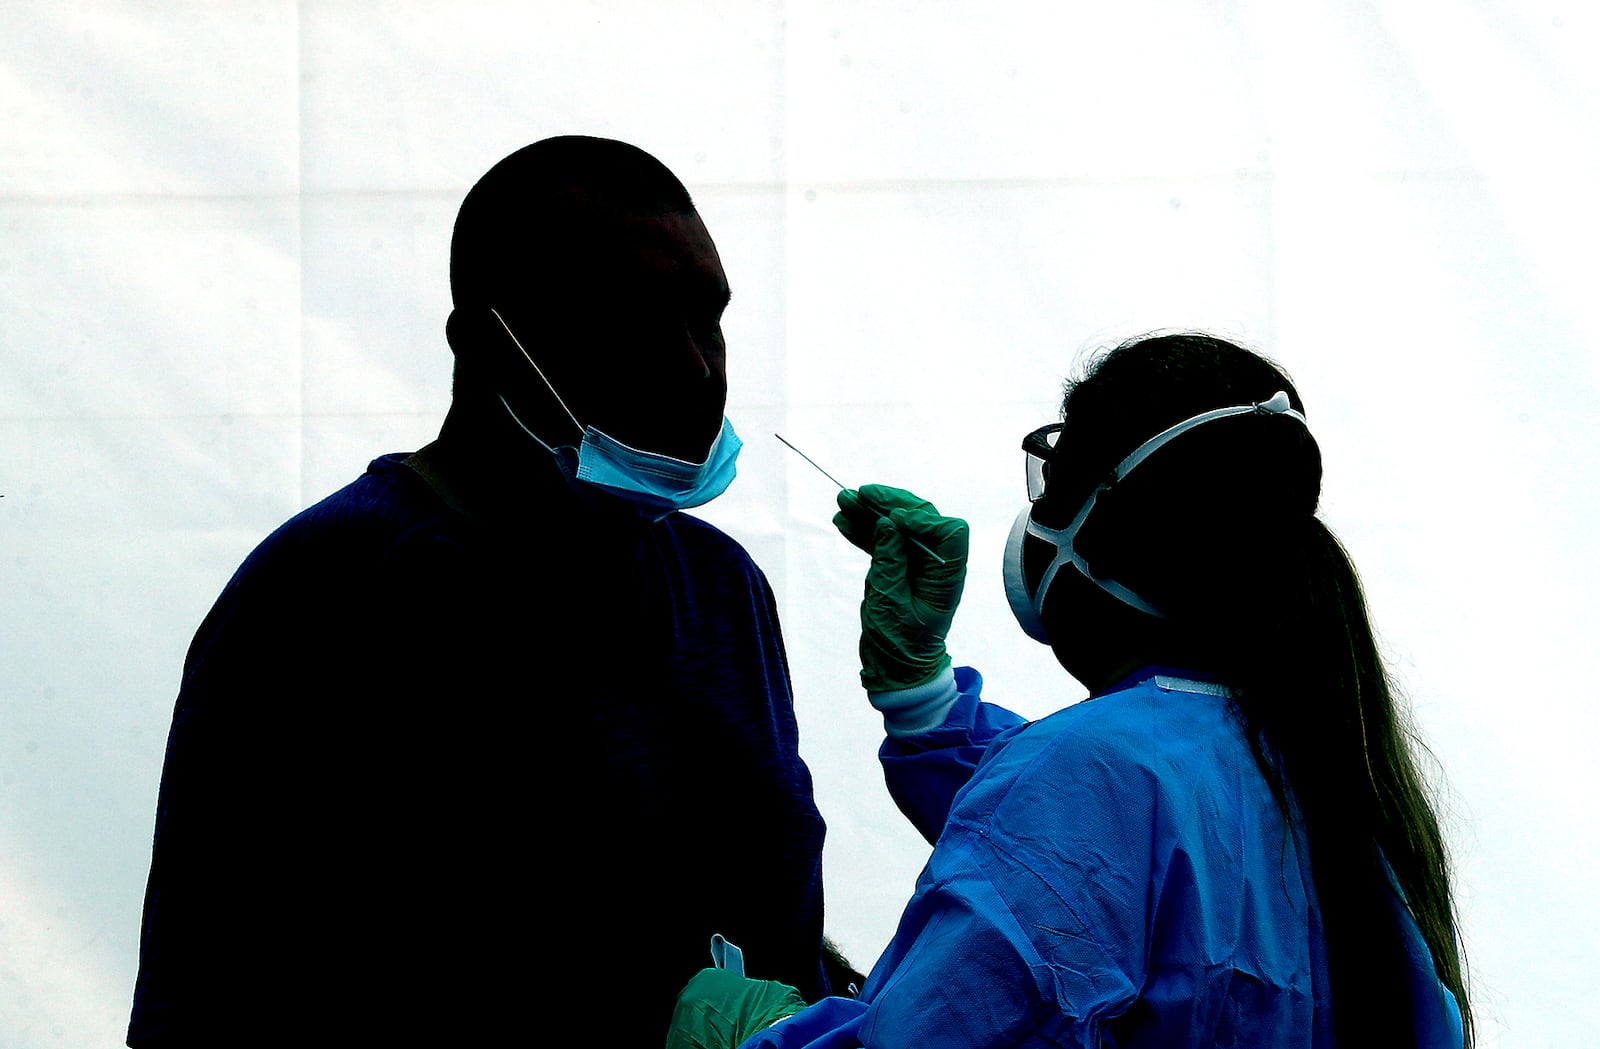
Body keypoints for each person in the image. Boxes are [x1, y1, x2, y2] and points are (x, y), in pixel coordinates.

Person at [128, 136, 857, 1048]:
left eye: (705, 318)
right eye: (631, 318)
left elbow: (753, 911)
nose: (695, 369)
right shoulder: (335, 591)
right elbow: (209, 996)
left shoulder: (721, 590)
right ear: (486, 343)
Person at [668, 332, 1471, 1047]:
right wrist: (923, 694)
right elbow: (1100, 854)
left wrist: (764, 1034)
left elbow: (1063, 857)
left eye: (1052, 487)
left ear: (1115, 521)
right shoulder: (1318, 764)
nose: (1035, 525)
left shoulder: (1092, 774)